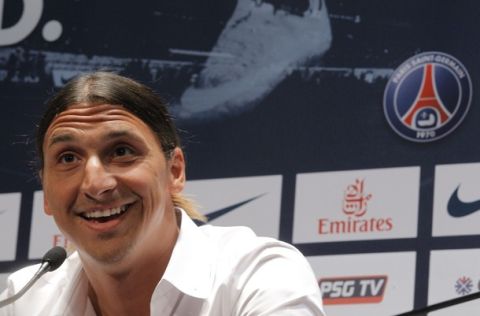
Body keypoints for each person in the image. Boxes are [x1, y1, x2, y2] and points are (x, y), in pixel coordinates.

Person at [0, 71, 325, 315]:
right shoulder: (24, 300)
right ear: (45, 191)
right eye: (68, 158)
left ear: (175, 171)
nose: (96, 184)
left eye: (122, 151)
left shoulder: (256, 275)